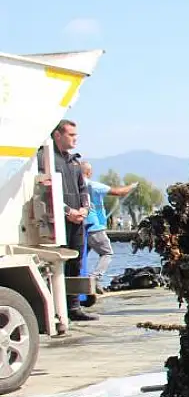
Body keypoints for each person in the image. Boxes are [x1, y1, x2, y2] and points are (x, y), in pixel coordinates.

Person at [36, 120, 96, 321]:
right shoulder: (45, 159)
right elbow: (45, 190)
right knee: (56, 264)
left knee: (76, 261)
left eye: (76, 135)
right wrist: (67, 211)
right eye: (71, 135)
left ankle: (74, 306)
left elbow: (83, 189)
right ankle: (56, 308)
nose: (75, 138)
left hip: (77, 220)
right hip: (57, 221)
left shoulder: (74, 162)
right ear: (58, 135)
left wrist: (84, 209)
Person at [81, 162, 138, 292]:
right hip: (95, 226)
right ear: (89, 173)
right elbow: (119, 192)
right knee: (107, 253)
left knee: (82, 257)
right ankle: (94, 278)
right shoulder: (93, 186)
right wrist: (132, 186)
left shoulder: (74, 186)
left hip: (81, 227)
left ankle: (86, 285)